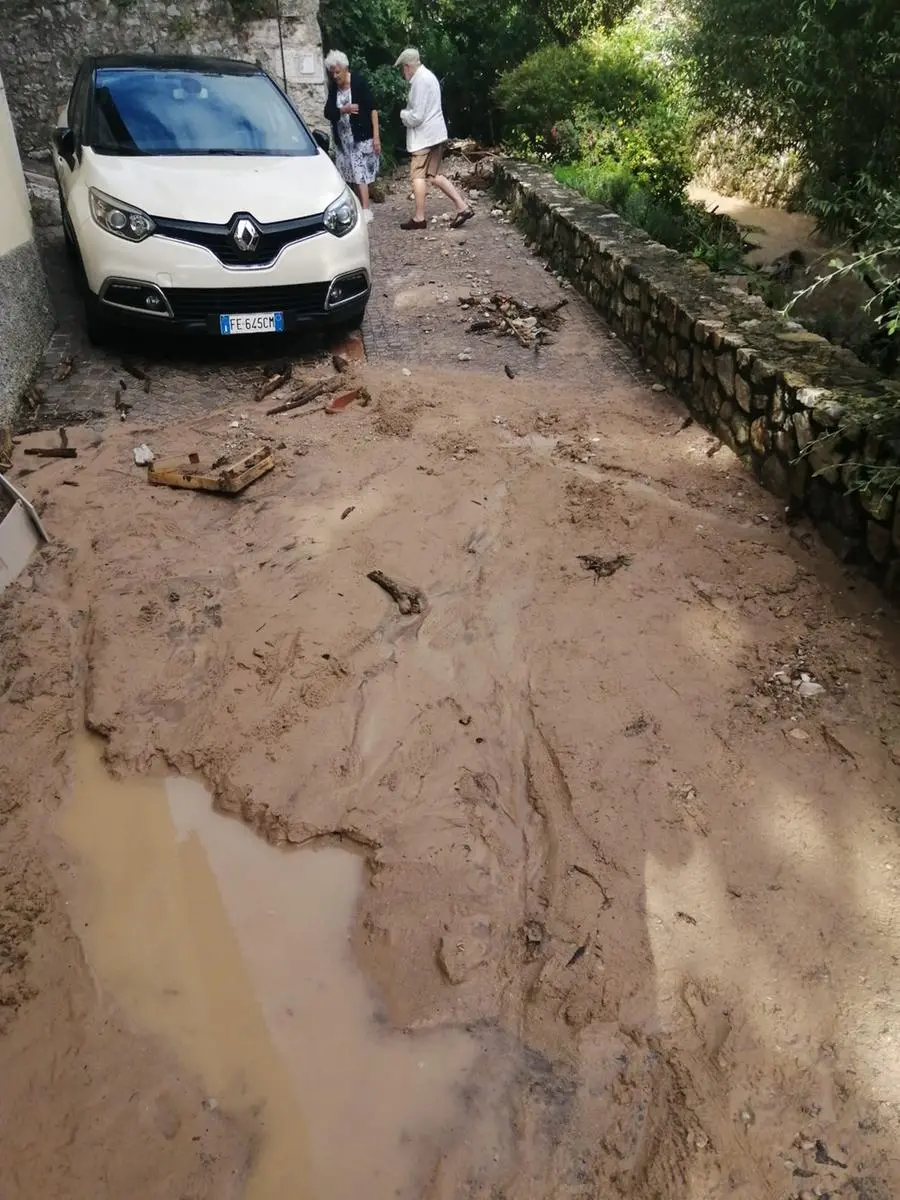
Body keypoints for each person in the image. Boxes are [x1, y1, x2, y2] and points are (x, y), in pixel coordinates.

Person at [394, 47, 473, 232]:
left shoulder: (420, 81)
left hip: (424, 137)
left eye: (402, 69)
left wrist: (403, 114)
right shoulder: (428, 76)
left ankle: (419, 218)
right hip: (434, 134)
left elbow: (417, 116)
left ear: (407, 66)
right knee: (434, 176)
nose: (402, 73)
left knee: (417, 176)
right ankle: (463, 207)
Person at [323, 50, 380, 223]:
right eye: (332, 72)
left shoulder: (359, 83)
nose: (335, 76)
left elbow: (373, 109)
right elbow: (328, 112)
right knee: (347, 174)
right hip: (343, 140)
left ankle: (366, 209)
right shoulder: (334, 88)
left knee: (359, 172)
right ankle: (351, 208)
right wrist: (343, 110)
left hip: (359, 137)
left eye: (337, 72)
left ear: (345, 68)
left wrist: (376, 137)